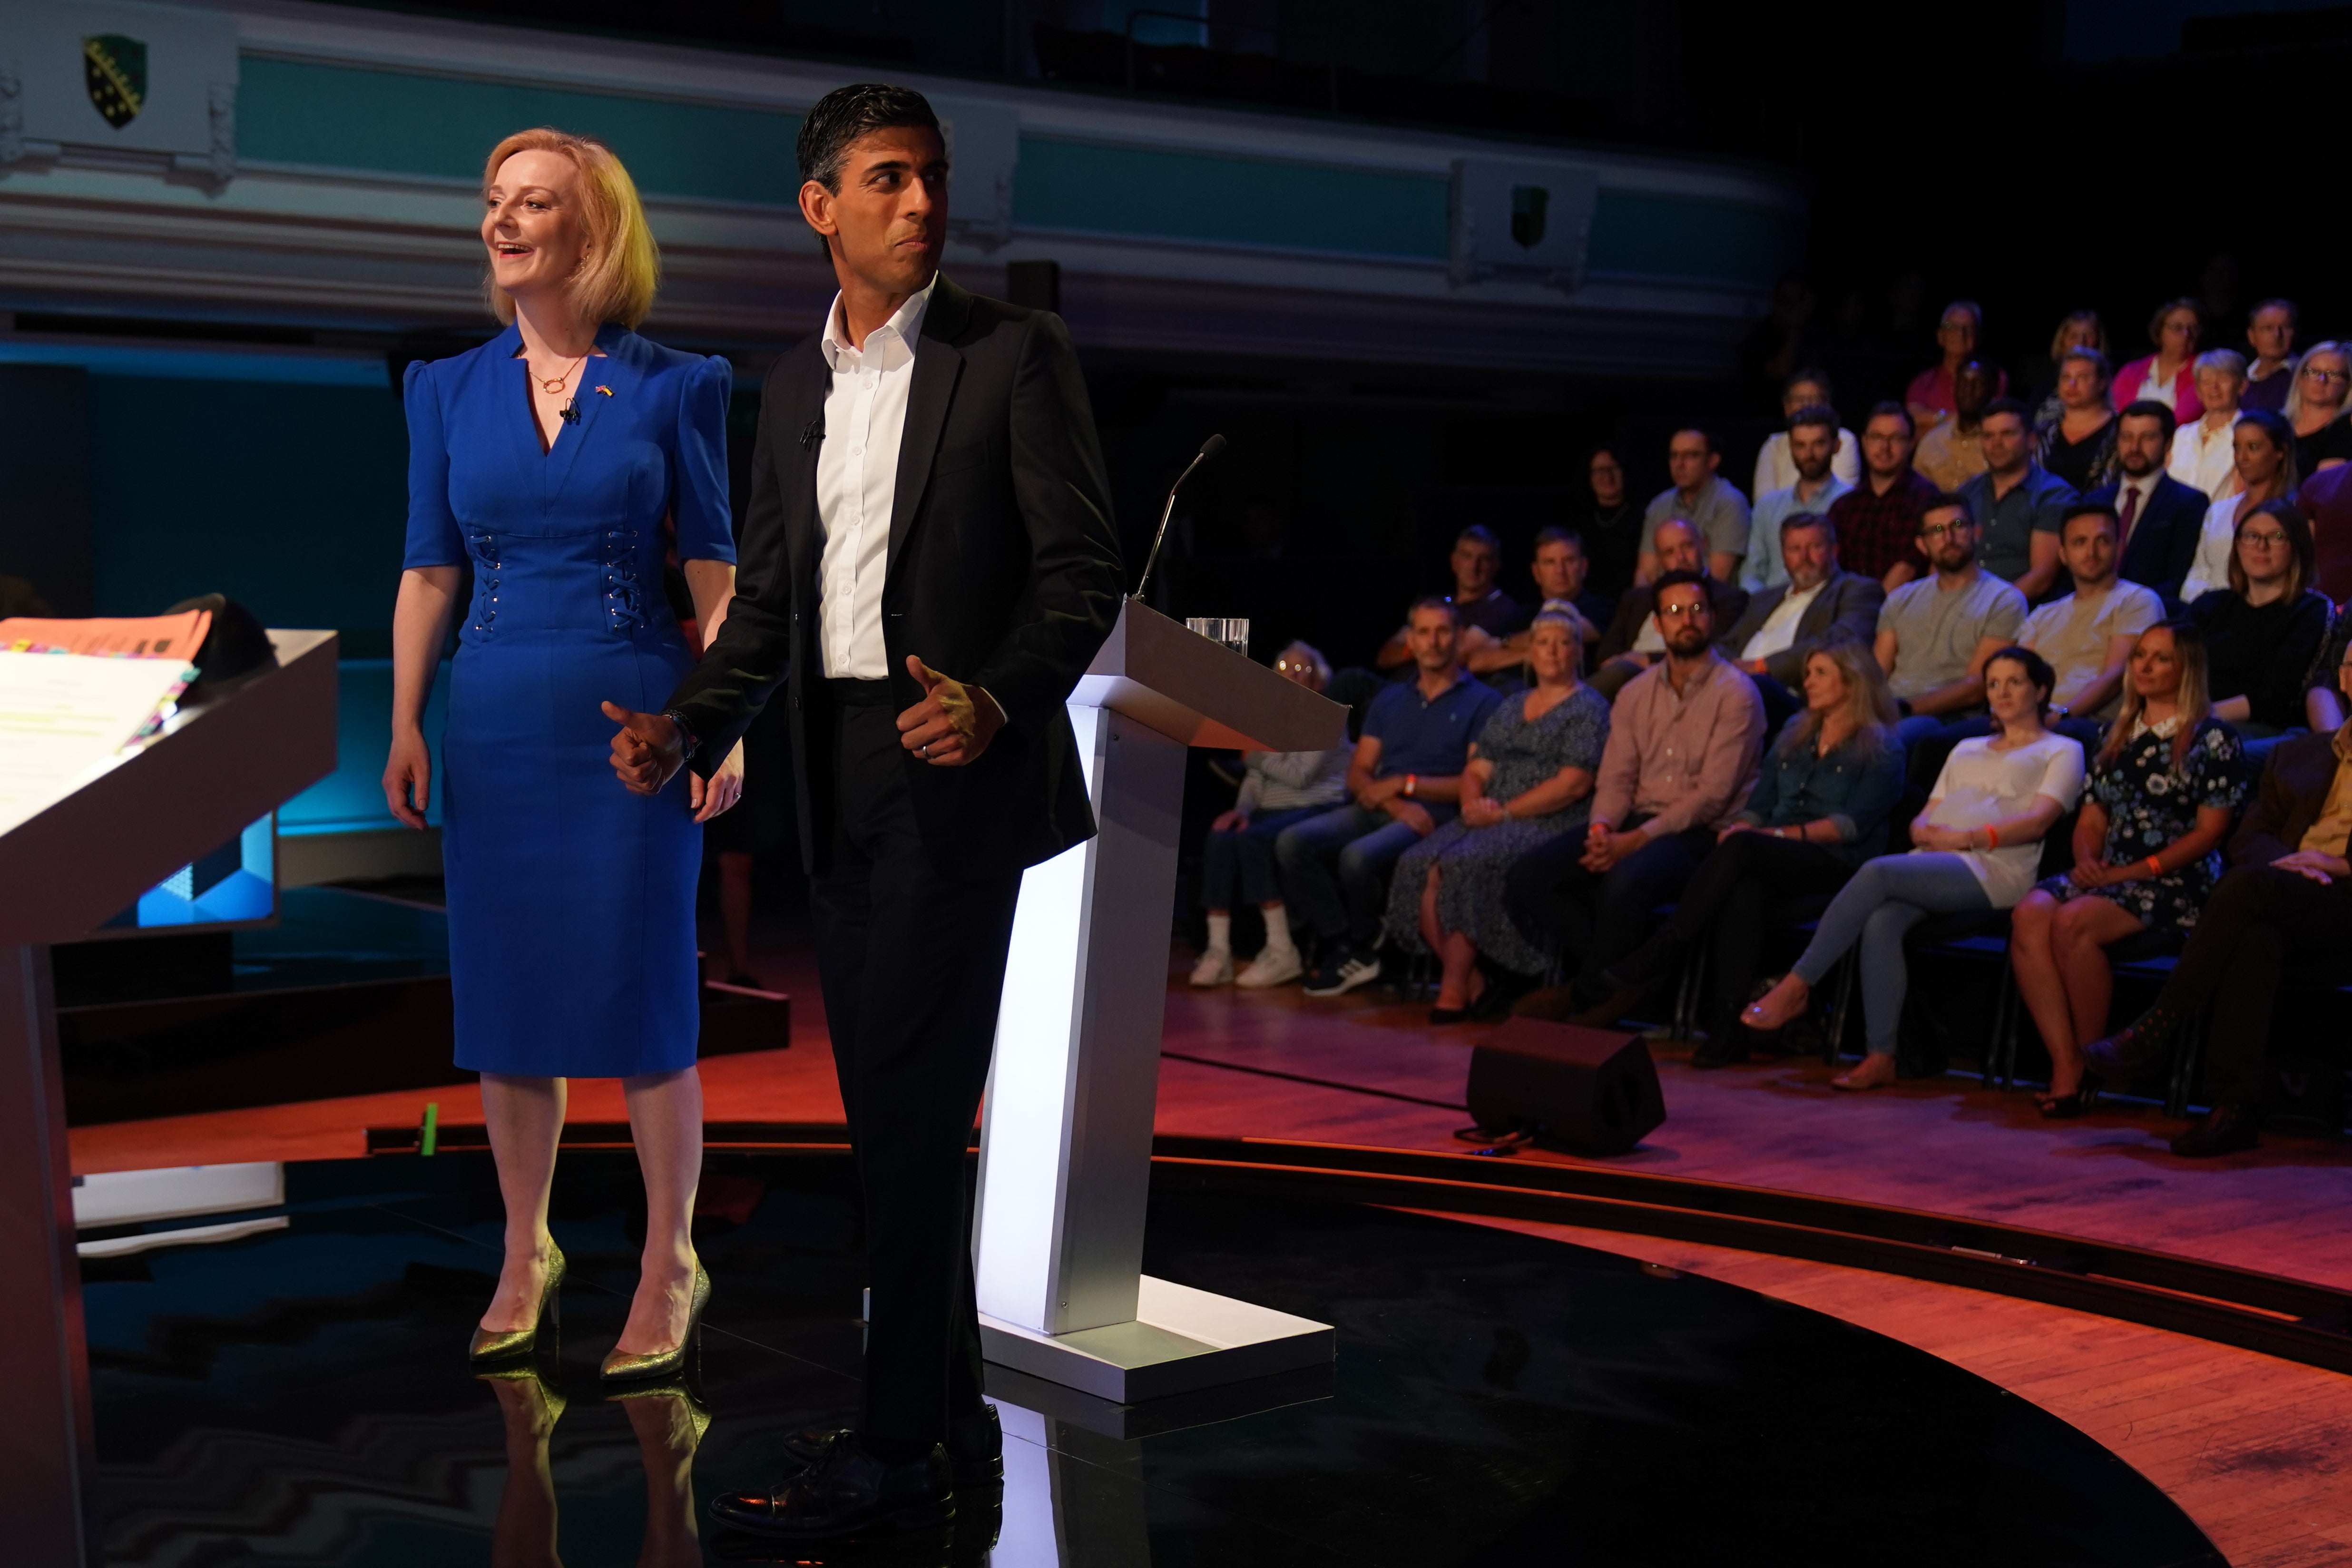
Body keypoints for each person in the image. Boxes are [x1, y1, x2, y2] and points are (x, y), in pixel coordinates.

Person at [607, 85, 1127, 1539]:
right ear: (818, 206)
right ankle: (948, 1421)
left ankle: (897, 1444)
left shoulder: (1014, 354)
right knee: (889, 1114)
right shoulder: (791, 389)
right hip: (835, 778)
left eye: (934, 178)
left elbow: (1081, 571)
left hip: (954, 766)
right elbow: (767, 605)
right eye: (890, 179)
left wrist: (998, 698)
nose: (923, 204)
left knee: (902, 1121)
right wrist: (686, 725)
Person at [385, 128, 741, 1387]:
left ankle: (668, 1261)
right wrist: (404, 722)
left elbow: (713, 565)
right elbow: (430, 568)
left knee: (646, 1001)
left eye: (532, 202)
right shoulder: (444, 387)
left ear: (590, 231)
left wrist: (719, 718)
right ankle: (525, 1252)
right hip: (487, 722)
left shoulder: (675, 383)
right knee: (507, 1007)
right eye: (494, 200)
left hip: (632, 728)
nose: (504, 220)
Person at [1741, 648, 2086, 1090]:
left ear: (2040, 690)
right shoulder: (1966, 748)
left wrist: (1964, 839)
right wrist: (1927, 833)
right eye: (1994, 683)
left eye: (2014, 682)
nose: (2001, 692)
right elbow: (1924, 816)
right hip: (1937, 858)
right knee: (1883, 921)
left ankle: (1797, 985)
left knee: (1877, 873)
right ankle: (1882, 1055)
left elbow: (2038, 821)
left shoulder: (2062, 750)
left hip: (1996, 869)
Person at [1572, 636, 1906, 1064]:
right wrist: (1744, 828)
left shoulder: (1882, 747)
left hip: (1837, 863)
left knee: (1746, 852)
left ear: (1853, 682)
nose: (1808, 682)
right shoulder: (1794, 733)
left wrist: (1767, 838)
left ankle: (1664, 949)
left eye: (1821, 673)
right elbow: (1760, 805)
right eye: (1808, 673)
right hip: (1771, 854)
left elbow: (1850, 826)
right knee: (1742, 884)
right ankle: (1729, 1028)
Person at [2085, 639, 2352, 1156]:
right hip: (2288, 892)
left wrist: (2339, 863)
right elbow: (2250, 835)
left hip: (2346, 896)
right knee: (2254, 932)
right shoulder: (2297, 753)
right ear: (2344, 680)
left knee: (2249, 894)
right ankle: (2234, 1110)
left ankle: (2157, 1027)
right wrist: (2290, 863)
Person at [1503, 571, 1766, 1013]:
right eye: (1675, 612)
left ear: (1714, 619)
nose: (1687, 620)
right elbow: (1617, 777)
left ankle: (1590, 993)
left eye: (1698, 610)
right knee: (1529, 878)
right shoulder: (1635, 692)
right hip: (1635, 818)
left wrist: (1635, 842)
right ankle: (1624, 978)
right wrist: (1602, 829)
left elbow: (1713, 797)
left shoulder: (1737, 694)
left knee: (1625, 882)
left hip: (1700, 833)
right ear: (1658, 624)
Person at [2009, 622, 2243, 1116]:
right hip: (2110, 871)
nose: (2144, 665)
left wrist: (2130, 871)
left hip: (2178, 880)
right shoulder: (2113, 734)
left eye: (2160, 658)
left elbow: (2209, 833)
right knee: (2030, 913)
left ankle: (2097, 1061)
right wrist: (2088, 860)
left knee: (2073, 922)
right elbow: (2093, 815)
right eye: (2140, 655)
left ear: (2187, 668)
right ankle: (2066, 1062)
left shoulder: (2213, 738)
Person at [1382, 613, 1609, 1019]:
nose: (1553, 652)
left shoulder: (1589, 708)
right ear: (1532, 652)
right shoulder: (1511, 706)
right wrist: (1473, 804)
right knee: (1417, 863)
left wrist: (1504, 813)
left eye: (1563, 643)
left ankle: (1452, 989)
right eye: (1544, 643)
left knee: (1463, 863)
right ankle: (1473, 981)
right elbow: (1477, 770)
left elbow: (1572, 785)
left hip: (1549, 820)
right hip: (1490, 814)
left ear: (1577, 651)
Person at [1283, 599, 1502, 998]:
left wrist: (1406, 784)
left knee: (1357, 858)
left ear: (1458, 638)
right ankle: (1353, 941)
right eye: (1424, 632)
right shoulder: (1390, 700)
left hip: (1435, 813)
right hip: (1383, 806)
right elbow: (1359, 772)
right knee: (1293, 843)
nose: (1433, 641)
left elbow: (1472, 782)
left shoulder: (1484, 702)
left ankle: (1361, 946)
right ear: (1411, 643)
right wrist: (1394, 798)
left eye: (1443, 631)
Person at [1191, 641, 1350, 990]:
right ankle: (1219, 951)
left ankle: (1281, 949)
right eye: (1285, 670)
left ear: (1319, 680)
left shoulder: (1329, 716)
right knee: (1221, 837)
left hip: (1315, 806)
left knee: (1253, 839)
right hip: (1271, 809)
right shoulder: (1270, 720)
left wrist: (1253, 755)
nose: (1293, 677)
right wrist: (1241, 810)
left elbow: (1300, 776)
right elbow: (1254, 779)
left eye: (1302, 671)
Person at [1875, 496, 2029, 753]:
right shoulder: (1900, 598)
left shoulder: (2003, 599)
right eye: (1936, 531)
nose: (1948, 537)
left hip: (1947, 716)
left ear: (1976, 532)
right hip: (1891, 708)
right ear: (1922, 545)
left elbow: (1977, 686)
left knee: (1885, 743)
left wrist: (1906, 708)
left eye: (1957, 525)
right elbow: (1877, 672)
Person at [1716, 512, 1886, 730]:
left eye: (1815, 546)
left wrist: (1764, 667)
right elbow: (1724, 644)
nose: (1804, 557)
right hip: (1736, 686)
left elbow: (1843, 639)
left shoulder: (1856, 590)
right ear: (1784, 556)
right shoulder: (1763, 599)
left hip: (1795, 697)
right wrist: (1733, 669)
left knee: (1756, 688)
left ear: (1834, 550)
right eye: (1795, 549)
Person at [2189, 500, 2331, 749]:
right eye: (2251, 536)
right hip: (2197, 719)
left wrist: (2200, 717)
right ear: (2238, 545)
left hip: (2268, 731)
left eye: (2276, 537)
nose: (2261, 546)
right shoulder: (2209, 605)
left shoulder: (2311, 610)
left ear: (2296, 546)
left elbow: (2278, 696)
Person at [2019, 504, 2163, 727]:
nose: (2091, 553)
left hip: (2092, 723)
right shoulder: (2042, 615)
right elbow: (2018, 673)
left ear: (2119, 547)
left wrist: (2059, 717)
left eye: (2103, 541)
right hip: (2034, 719)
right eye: (2080, 542)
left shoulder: (2137, 601)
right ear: (2063, 555)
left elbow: (2115, 677)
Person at [1591, 518, 1748, 699]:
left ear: (1703, 545)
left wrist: (1648, 659)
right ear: (1659, 560)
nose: (1681, 558)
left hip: (1680, 678)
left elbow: (1714, 650)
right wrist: (1615, 662)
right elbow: (1607, 651)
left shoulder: (1728, 598)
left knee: (1619, 673)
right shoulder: (1636, 598)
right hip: (1624, 679)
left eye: (1687, 546)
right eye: (1669, 552)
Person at [2091, 401, 2210, 604]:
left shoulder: (2189, 503)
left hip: (2150, 613)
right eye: (2127, 437)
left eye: (2147, 438)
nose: (2134, 447)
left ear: (2168, 444)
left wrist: (2126, 605)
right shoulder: (2095, 501)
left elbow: (2179, 579)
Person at [1960, 399, 2074, 599]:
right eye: (1988, 436)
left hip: (2022, 613)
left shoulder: (2054, 495)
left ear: (2031, 440)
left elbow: (2041, 578)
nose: (1996, 444)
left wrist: (1990, 610)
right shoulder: (1966, 493)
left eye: (2007, 434)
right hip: (1962, 604)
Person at [2181, 410, 2297, 602]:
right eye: (2237, 448)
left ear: (2280, 452)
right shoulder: (2218, 512)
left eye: (2253, 448)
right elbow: (2198, 574)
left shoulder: (2294, 513)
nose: (2242, 458)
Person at [1376, 524, 1525, 671]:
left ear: (1496, 566)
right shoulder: (1436, 603)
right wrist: (1422, 650)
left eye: (1484, 559)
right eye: (1467, 556)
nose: (1474, 566)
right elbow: (1386, 656)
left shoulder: (1501, 606)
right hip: (1403, 685)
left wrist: (1416, 644)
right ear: (1455, 562)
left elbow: (1460, 654)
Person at [1827, 402, 1940, 589]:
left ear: (1912, 443)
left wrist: (1869, 610)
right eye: (1877, 437)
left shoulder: (1925, 498)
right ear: (1864, 442)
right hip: (1848, 606)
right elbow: (1830, 564)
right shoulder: (1845, 506)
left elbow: (1907, 568)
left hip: (1902, 608)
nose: (1885, 447)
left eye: (1895, 438)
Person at [1743, 403, 1854, 591]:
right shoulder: (1768, 507)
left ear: (1836, 446)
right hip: (1770, 609)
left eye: (1819, 444)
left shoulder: (1852, 503)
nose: (1809, 455)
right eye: (1800, 445)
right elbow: (1751, 574)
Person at [1467, 528, 1605, 678]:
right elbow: (1477, 662)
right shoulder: (1523, 614)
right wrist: (1528, 655)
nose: (1560, 570)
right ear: (1537, 572)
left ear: (1584, 566)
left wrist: (1505, 643)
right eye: (1550, 562)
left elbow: (1561, 630)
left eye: (1569, 561)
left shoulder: (1600, 607)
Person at [1638, 428, 1751, 584]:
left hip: (1710, 601)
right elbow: (1646, 573)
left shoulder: (1730, 502)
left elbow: (1718, 577)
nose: (1679, 464)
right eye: (1674, 456)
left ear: (1713, 461)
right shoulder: (1660, 505)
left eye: (1691, 455)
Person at [1751, 369, 1861, 499]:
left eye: (1813, 399)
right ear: (1787, 406)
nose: (1807, 405)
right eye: (1799, 399)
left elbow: (1842, 499)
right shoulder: (1774, 445)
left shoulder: (1843, 439)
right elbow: (1764, 503)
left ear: (1827, 403)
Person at [1906, 300, 2008, 429]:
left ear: (1978, 336)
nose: (1961, 334)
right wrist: (1958, 419)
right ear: (1941, 336)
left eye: (1969, 328)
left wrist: (1934, 419)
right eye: (1953, 327)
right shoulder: (1924, 382)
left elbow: (1990, 419)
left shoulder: (1994, 377)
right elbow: (1913, 418)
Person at [2036, 347, 2120, 495]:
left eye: (2082, 377)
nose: (2072, 384)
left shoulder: (2120, 430)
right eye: (2066, 377)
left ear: (2102, 383)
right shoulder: (2044, 430)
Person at [2167, 349, 2246, 503]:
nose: (2214, 388)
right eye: (2207, 381)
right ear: (2198, 390)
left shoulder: (2248, 435)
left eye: (2223, 379)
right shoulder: (2182, 435)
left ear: (2242, 386)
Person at [2111, 298, 2207, 424]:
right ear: (2160, 331)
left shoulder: (2204, 371)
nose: (2186, 335)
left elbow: (2186, 417)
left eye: (2193, 328)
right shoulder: (2131, 372)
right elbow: (2114, 413)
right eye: (2177, 328)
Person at [1911, 358, 1994, 492]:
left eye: (1977, 384)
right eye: (1963, 384)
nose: (1969, 391)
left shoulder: (1998, 442)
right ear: (1954, 388)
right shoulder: (1932, 442)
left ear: (1992, 391)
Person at [1583, 445, 1645, 597]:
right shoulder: (1580, 519)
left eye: (1613, 468)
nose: (1607, 476)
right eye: (1600, 471)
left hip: (1628, 600)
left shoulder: (1644, 516)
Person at [2030, 311, 2109, 428]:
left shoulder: (2111, 383)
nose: (2081, 342)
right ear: (2062, 341)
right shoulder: (2044, 389)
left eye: (2089, 335)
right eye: (2074, 336)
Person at [2286, 341, 2352, 478]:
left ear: (2348, 385)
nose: (2322, 380)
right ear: (2300, 377)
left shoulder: (2345, 429)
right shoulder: (2277, 424)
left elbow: (2325, 492)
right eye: (2314, 372)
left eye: (2334, 374)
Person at [2239, 299, 2299, 413]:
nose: (2277, 335)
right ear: (2252, 336)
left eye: (2285, 327)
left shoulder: (2303, 378)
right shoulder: (2243, 378)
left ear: (2295, 332)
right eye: (2268, 329)